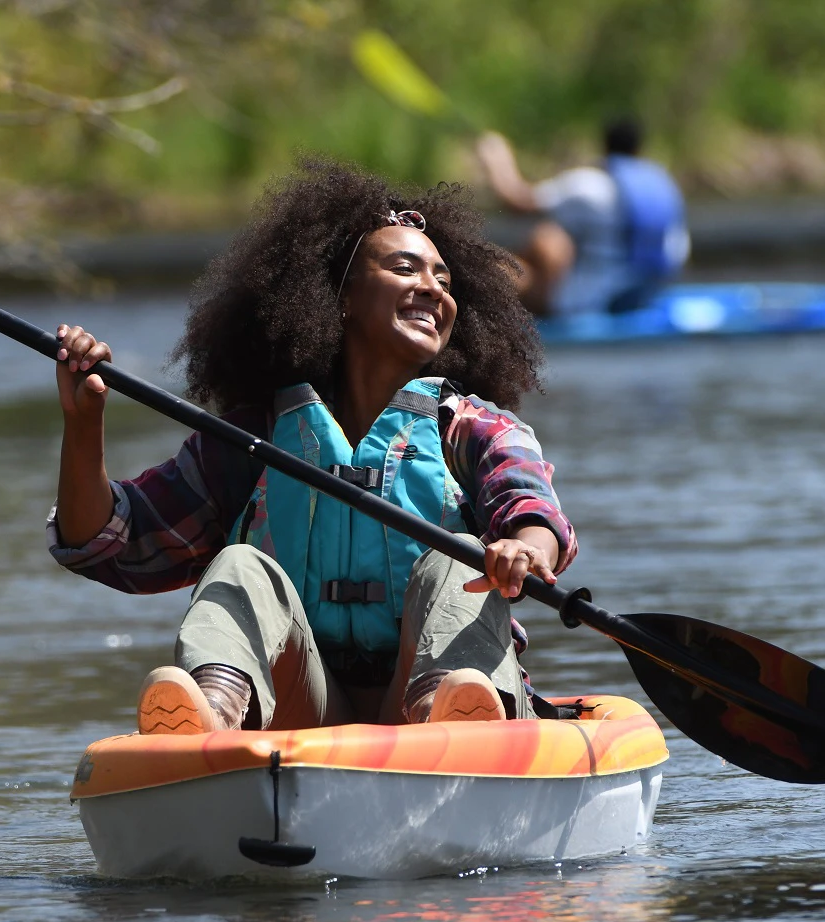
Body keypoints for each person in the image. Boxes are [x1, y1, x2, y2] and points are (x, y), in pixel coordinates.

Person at [47, 158, 578, 735]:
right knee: (240, 564)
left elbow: (533, 509)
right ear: (341, 298)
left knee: (457, 558)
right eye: (406, 269)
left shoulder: (474, 429)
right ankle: (212, 715)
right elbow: (105, 541)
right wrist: (83, 425)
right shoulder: (253, 441)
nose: (432, 290)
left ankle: (449, 722)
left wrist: (526, 551)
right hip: (309, 706)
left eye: (444, 282)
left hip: (438, 703)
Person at [475, 116, 689, 316]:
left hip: (585, 302)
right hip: (645, 296)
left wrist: (497, 159)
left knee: (531, 249)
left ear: (605, 146)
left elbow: (518, 202)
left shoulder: (590, 186)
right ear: (639, 149)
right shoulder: (665, 185)